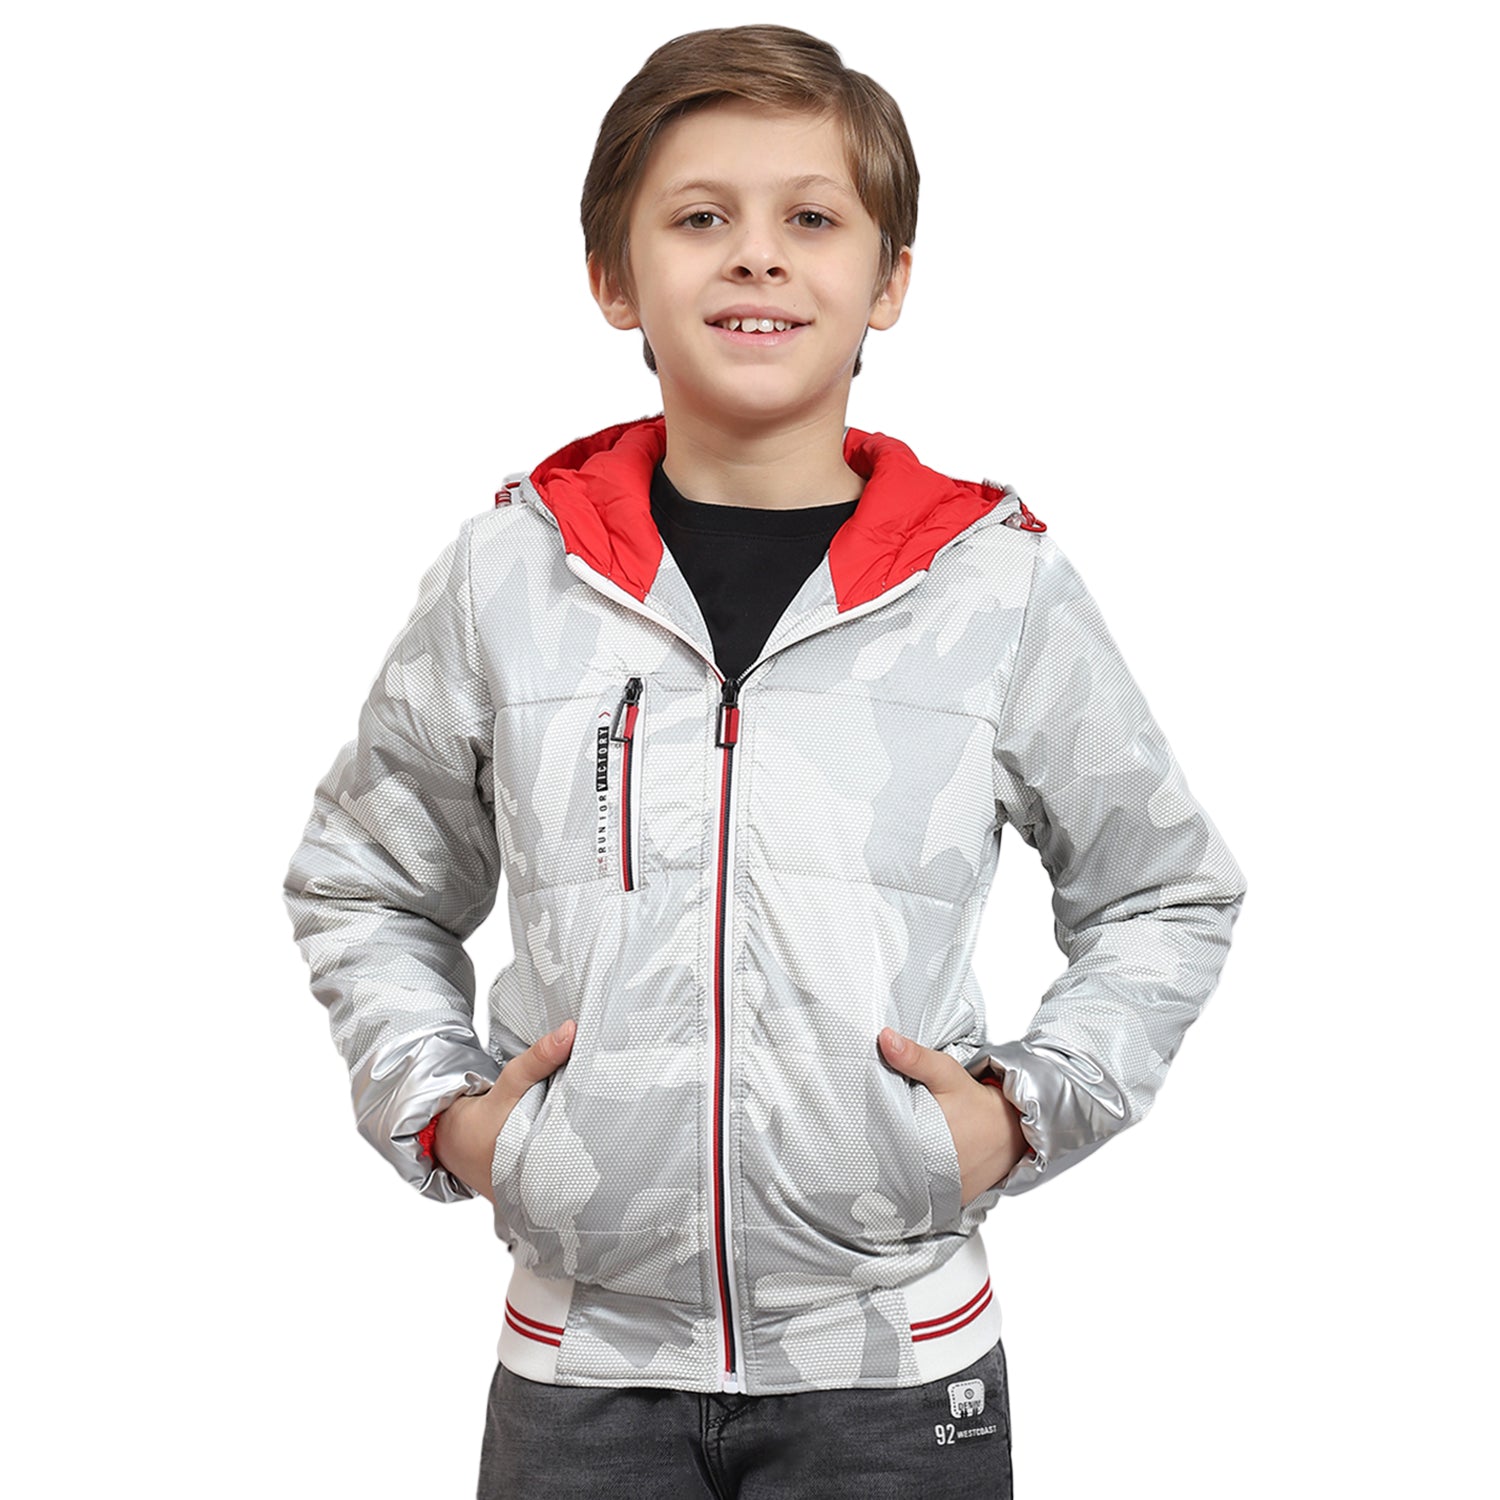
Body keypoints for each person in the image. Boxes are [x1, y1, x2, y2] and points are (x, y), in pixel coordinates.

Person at [282, 23, 1246, 1498]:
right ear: (615, 279)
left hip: (895, 1375)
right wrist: (447, 1115)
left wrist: (1022, 1110)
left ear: (889, 281)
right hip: (582, 1374)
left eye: (811, 217)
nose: (757, 256)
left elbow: (1165, 892)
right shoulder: (510, 580)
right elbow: (365, 881)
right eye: (699, 219)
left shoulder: (993, 591)